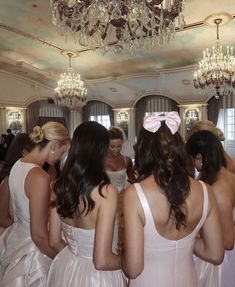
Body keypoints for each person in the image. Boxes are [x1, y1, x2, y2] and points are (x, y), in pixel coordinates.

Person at [122, 112, 224, 287]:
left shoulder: (135, 194)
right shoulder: (205, 190)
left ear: (143, 149)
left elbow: (133, 269)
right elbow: (215, 254)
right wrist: (186, 241)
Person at [46, 121, 127, 287]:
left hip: (66, 267)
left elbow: (54, 240)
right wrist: (128, 261)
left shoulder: (59, 185)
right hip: (97, 278)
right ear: (101, 150)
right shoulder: (106, 192)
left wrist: (75, 259)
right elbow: (102, 261)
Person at [0, 122, 70, 286]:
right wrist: (61, 259)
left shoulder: (18, 164)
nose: (61, 157)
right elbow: (38, 235)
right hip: (33, 252)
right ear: (53, 146)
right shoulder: (39, 176)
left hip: (16, 240)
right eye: (63, 151)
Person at [186, 130, 235, 287]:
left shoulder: (218, 188)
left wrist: (190, 236)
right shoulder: (228, 176)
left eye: (191, 158)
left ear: (199, 156)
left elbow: (227, 241)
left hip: (222, 261)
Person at [105, 126, 136, 252]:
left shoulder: (126, 160)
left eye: (119, 146)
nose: (116, 149)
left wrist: (127, 189)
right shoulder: (101, 161)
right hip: (106, 199)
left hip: (123, 200)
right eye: (112, 146)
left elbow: (133, 179)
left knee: (123, 229)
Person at [0, 133, 35, 235]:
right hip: (14, 233)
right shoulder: (8, 180)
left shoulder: (35, 175)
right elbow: (2, 218)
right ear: (24, 153)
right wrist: (26, 229)